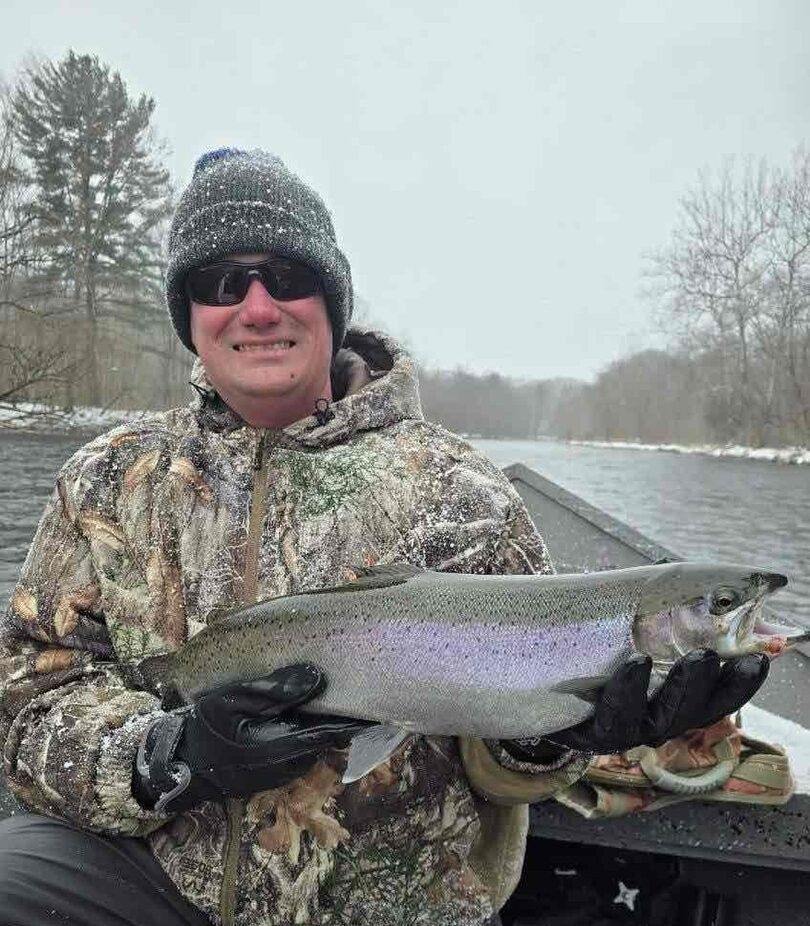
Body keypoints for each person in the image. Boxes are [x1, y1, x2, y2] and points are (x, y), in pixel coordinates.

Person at [0, 148, 769, 926]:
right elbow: (30, 699)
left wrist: (561, 734)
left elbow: (507, 771)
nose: (258, 308)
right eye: (222, 284)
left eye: (288, 277)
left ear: (332, 299)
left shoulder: (461, 490)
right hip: (154, 881)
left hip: (392, 903)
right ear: (189, 316)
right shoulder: (107, 480)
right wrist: (166, 757)